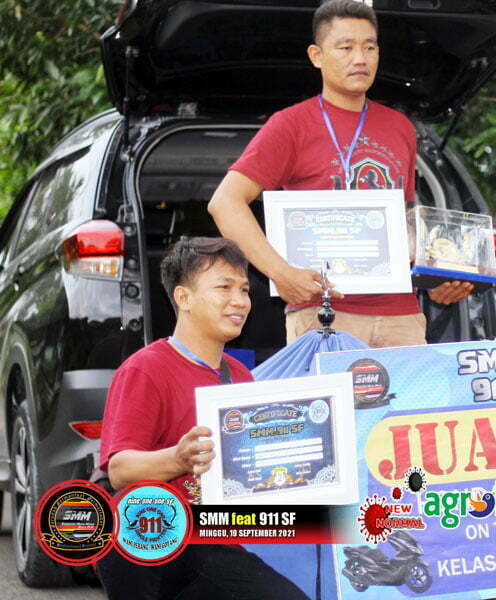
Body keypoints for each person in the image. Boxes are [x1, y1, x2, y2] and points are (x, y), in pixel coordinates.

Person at [208, 0, 472, 348]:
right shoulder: (290, 125)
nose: (360, 58)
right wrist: (281, 274)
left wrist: (435, 274)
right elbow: (225, 203)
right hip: (322, 311)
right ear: (317, 55)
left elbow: (404, 220)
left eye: (369, 47)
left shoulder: (401, 127)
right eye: (345, 48)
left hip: (402, 315)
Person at [97, 237, 307, 600]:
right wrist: (178, 459)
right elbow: (119, 470)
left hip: (214, 541)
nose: (240, 300)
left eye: (244, 289)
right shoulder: (145, 369)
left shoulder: (241, 375)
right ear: (184, 298)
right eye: (224, 287)